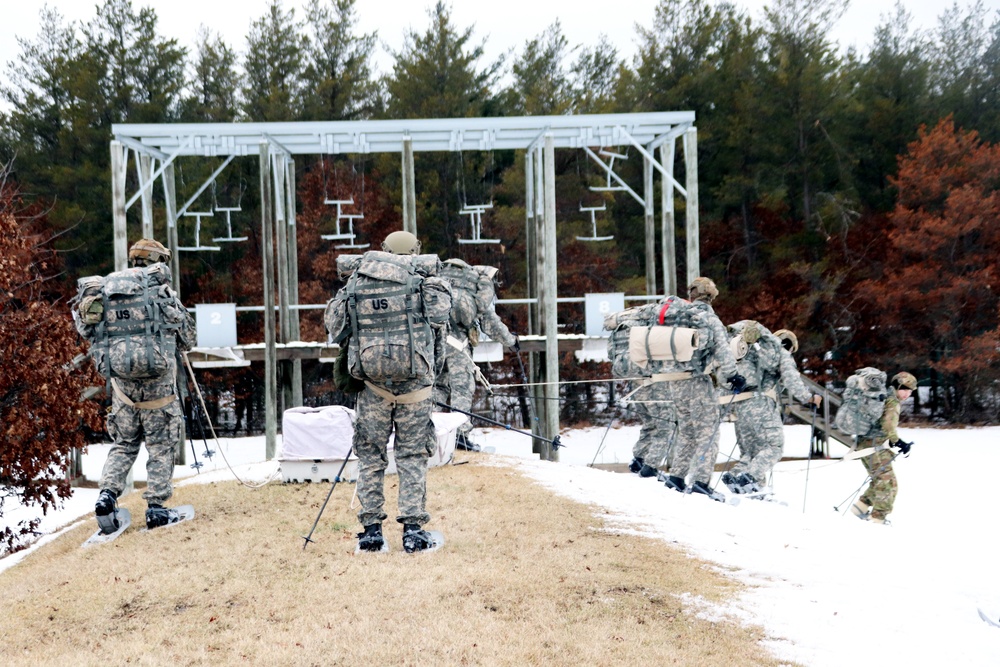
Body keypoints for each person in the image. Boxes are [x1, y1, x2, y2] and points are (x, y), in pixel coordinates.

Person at [324, 231, 453, 553]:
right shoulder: (423, 282)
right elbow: (441, 319)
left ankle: (371, 533)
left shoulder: (355, 284)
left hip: (372, 387)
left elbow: (335, 329)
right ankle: (412, 531)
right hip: (416, 389)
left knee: (371, 457)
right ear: (415, 251)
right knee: (411, 457)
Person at [73, 239, 196, 532]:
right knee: (161, 446)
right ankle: (155, 508)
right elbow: (188, 337)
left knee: (124, 444)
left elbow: (88, 330)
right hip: (159, 391)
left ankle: (107, 496)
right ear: (158, 260)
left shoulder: (106, 290)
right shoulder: (159, 292)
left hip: (122, 392)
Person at [635, 277, 744, 500]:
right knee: (707, 433)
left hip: (675, 382)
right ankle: (701, 481)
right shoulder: (709, 318)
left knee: (686, 430)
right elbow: (723, 351)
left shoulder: (677, 317)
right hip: (698, 382)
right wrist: (733, 375)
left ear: (691, 295)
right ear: (711, 296)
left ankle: (676, 476)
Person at [721, 323, 822, 495]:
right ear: (790, 346)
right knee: (774, 447)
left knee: (751, 452)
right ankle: (749, 477)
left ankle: (740, 479)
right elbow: (791, 379)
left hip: (741, 407)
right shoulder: (780, 354)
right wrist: (809, 398)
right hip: (762, 407)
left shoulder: (753, 353)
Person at [433, 259, 518, 451]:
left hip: (432, 341)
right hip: (459, 345)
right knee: (461, 389)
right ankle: (460, 436)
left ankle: (430, 434)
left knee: (436, 388)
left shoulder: (436, 284)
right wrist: (510, 341)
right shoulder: (472, 291)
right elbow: (490, 322)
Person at [851, 372, 917, 525]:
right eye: (905, 389)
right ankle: (878, 519)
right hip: (875, 446)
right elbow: (888, 427)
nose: (907, 393)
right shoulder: (891, 401)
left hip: (866, 444)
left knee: (879, 479)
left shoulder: (881, 396)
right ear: (898, 386)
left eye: (910, 391)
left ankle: (859, 508)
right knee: (888, 483)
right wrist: (899, 443)